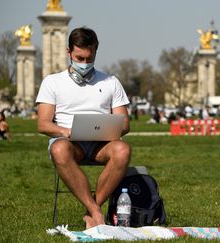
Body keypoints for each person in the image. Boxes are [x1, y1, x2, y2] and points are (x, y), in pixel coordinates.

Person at [36, 27, 131, 229]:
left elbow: (124, 123)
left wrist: (110, 129)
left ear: (96, 51)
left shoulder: (111, 81)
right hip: (69, 143)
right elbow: (43, 124)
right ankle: (96, 211)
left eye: (90, 58)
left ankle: (91, 213)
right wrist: (66, 132)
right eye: (80, 58)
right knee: (59, 149)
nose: (85, 63)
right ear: (69, 52)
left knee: (123, 149)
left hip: (102, 145)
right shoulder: (52, 82)